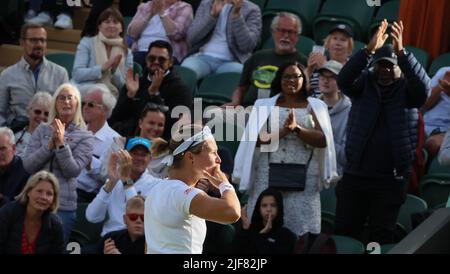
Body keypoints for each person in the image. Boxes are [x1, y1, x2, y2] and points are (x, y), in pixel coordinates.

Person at [335, 20, 430, 244]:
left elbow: (424, 90)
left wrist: (403, 54)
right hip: (355, 174)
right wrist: (367, 51)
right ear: (374, 66)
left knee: (381, 238)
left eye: (390, 65)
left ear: (399, 68)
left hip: (391, 178)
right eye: (381, 65)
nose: (385, 70)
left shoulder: (408, 90)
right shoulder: (363, 84)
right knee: (344, 232)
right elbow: (343, 80)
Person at [233, 62, 338, 236]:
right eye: (287, 76)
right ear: (279, 80)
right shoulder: (264, 104)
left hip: (305, 177)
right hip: (267, 175)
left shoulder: (316, 106)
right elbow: (256, 140)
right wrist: (283, 131)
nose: (291, 80)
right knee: (265, 228)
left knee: (303, 230)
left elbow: (322, 140)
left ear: (303, 80)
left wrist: (297, 129)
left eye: (296, 76)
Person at [144, 125, 241, 253]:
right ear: (190, 157)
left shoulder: (154, 191)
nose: (219, 159)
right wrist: (224, 183)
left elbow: (147, 248)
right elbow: (232, 212)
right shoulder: (182, 193)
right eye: (213, 152)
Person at [22, 83, 94, 242]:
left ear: (77, 103)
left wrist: (61, 144)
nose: (66, 102)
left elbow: (72, 171)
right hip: (34, 201)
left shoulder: (86, 136)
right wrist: (48, 148)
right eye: (61, 98)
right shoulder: (41, 129)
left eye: (70, 98)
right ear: (55, 103)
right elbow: (28, 165)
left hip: (63, 206)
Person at [109, 40, 192, 139]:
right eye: (152, 58)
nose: (156, 62)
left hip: (158, 143)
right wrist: (129, 96)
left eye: (161, 59)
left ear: (170, 63)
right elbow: (114, 118)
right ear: (146, 60)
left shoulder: (180, 89)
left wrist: (154, 95)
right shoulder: (136, 82)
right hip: (126, 136)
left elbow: (174, 126)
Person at [223, 12, 307, 107]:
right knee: (212, 116)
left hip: (277, 111)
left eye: (291, 32)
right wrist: (235, 102)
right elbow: (241, 88)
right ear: (273, 32)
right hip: (247, 108)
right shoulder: (257, 57)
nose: (286, 36)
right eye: (282, 31)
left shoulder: (302, 62)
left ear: (297, 36)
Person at [0, 23, 69, 132]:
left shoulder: (60, 73)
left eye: (42, 40)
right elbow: (1, 112)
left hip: (49, 134)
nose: (39, 44)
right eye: (33, 40)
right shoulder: (7, 75)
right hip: (17, 134)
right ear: (22, 43)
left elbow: (65, 110)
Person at [86, 137, 157, 237]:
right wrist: (111, 183)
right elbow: (91, 216)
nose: (139, 158)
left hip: (136, 241)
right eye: (134, 153)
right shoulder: (114, 181)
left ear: (150, 158)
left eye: (143, 154)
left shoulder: (156, 184)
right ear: (125, 156)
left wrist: (126, 180)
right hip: (109, 239)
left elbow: (140, 213)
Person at [181, 0, 261, 80]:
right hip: (202, 57)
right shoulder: (207, 4)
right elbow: (191, 38)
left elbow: (247, 46)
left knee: (239, 72)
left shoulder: (252, 9)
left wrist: (237, 16)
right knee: (187, 70)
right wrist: (212, 16)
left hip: (232, 61)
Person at [72, 8, 134, 98]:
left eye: (115, 22)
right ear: (99, 27)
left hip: (112, 95)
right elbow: (77, 74)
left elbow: (125, 86)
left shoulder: (127, 53)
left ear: (121, 28)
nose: (111, 25)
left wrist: (114, 70)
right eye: (107, 22)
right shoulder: (87, 43)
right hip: (85, 89)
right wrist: (101, 68)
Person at [0, 170, 64, 254]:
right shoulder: (7, 213)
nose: (44, 197)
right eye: (39, 191)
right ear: (28, 192)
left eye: (49, 194)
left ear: (53, 199)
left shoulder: (55, 224)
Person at [77, 84, 121, 203]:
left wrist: (88, 160)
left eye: (90, 105)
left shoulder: (115, 140)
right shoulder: (76, 131)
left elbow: (108, 177)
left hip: (87, 197)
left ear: (105, 110)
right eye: (83, 103)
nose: (85, 107)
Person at [127, 0, 193, 66]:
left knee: (149, 60)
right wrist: (150, 15)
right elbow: (132, 33)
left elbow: (177, 34)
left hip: (166, 55)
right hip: (140, 51)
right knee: (129, 60)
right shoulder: (145, 7)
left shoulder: (184, 8)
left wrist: (161, 13)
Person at [234, 188, 297, 254]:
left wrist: (262, 236)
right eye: (264, 205)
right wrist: (245, 229)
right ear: (259, 208)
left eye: (273, 205)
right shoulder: (249, 231)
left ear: (279, 208)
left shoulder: (286, 235)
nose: (269, 209)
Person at [317, 61, 351, 176]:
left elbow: (346, 158)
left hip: (336, 176)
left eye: (332, 77)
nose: (326, 80)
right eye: (323, 76)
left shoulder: (351, 112)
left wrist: (325, 138)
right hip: (311, 173)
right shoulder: (310, 106)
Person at [307, 24, 354, 97]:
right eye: (335, 38)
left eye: (343, 40)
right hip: (314, 104)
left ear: (349, 46)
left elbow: (348, 92)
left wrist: (326, 67)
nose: (338, 43)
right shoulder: (318, 62)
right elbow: (302, 89)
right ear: (328, 43)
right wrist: (309, 69)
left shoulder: (353, 66)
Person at [421, 67, 450, 157]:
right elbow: (425, 105)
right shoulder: (444, 71)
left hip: (445, 131)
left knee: (433, 144)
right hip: (424, 126)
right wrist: (440, 86)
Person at [14, 92, 52, 158]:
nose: (42, 116)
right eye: (37, 112)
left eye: (46, 114)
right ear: (28, 112)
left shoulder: (51, 140)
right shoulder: (15, 134)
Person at [0, 127, 30, 208]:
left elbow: (22, 209)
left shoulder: (25, 172)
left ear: (13, 148)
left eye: (2, 149)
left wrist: (2, 198)